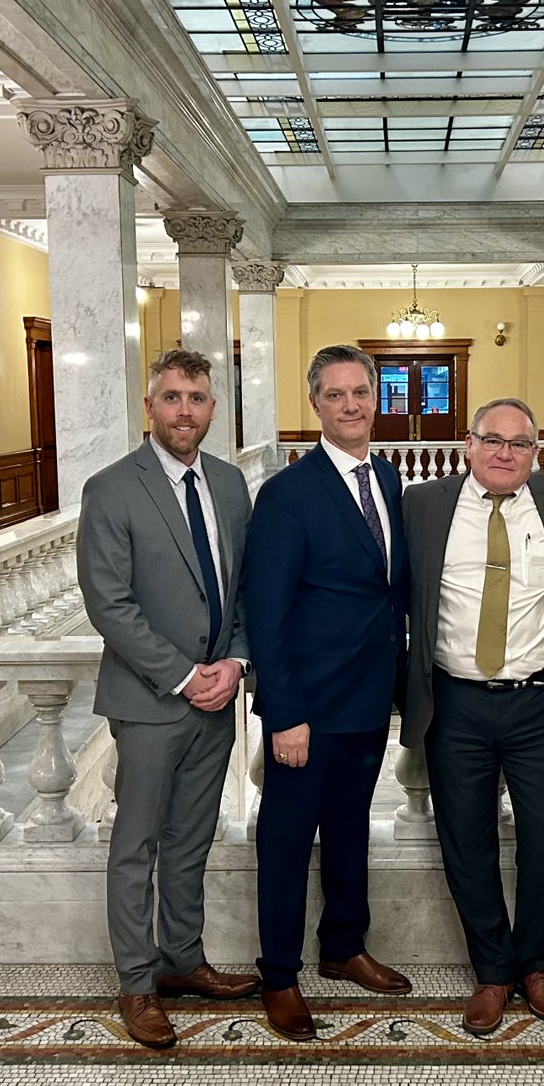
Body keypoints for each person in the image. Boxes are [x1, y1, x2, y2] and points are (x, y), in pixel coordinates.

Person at [400, 398, 544, 1036]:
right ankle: (492, 971)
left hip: (540, 699)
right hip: (453, 701)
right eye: (492, 439)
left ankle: (535, 964)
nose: (505, 453)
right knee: (467, 842)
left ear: (536, 452)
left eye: (520, 443)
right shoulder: (423, 506)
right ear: (468, 443)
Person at [77, 349, 258, 1049]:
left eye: (198, 398)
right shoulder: (113, 487)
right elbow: (109, 603)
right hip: (152, 700)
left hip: (219, 697)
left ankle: (184, 961)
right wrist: (185, 675)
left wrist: (235, 663)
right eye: (174, 397)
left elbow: (244, 587)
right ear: (150, 406)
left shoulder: (229, 483)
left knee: (191, 841)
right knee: (137, 846)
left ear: (213, 409)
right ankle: (137, 982)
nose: (186, 410)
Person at [245, 344, 412, 1041]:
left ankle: (343, 946)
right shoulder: (288, 493)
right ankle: (280, 975)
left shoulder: (389, 479)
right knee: (285, 841)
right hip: (307, 709)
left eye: (360, 392)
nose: (350, 405)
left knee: (350, 831)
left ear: (376, 399)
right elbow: (267, 611)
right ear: (314, 403)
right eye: (335, 395)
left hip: (369, 702)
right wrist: (284, 714)